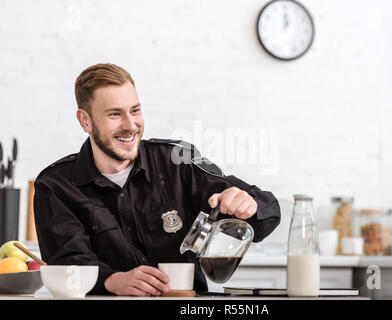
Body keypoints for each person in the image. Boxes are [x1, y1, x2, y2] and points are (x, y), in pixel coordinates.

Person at [33, 63, 281, 296]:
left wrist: (248, 204)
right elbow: (66, 266)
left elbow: (268, 209)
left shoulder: (179, 158)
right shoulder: (55, 186)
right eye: (114, 114)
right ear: (85, 121)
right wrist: (112, 280)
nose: (131, 125)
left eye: (135, 110)